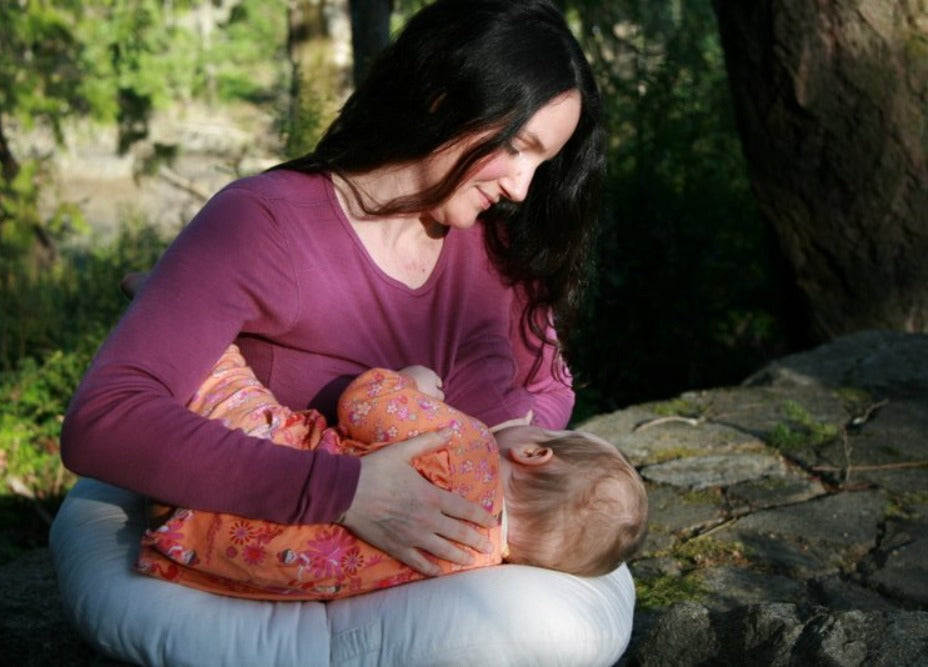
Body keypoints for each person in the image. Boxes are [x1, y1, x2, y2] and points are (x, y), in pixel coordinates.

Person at [59, 0, 605, 579]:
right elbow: (104, 421)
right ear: (442, 97)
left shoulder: (495, 252)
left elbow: (550, 388)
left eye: (542, 163)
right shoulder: (264, 224)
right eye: (517, 147)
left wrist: (497, 452)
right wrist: (345, 490)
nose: (523, 188)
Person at [136, 346, 647, 600]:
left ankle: (156, 295)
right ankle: (175, 514)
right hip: (219, 555)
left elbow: (364, 405)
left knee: (210, 358)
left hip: (259, 463)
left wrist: (412, 385)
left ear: (534, 454)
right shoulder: (473, 563)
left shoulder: (470, 448)